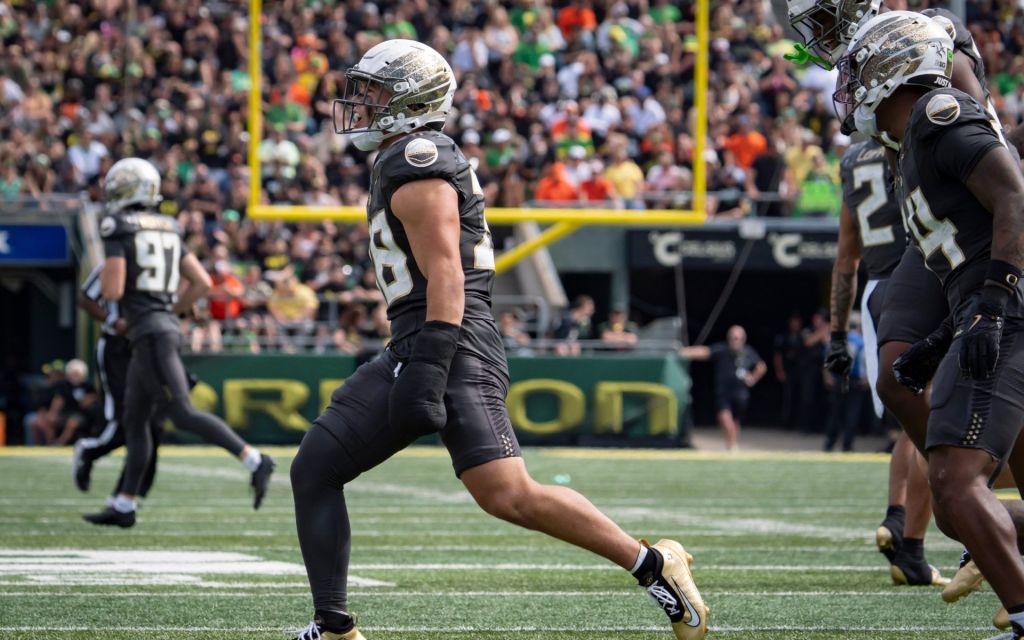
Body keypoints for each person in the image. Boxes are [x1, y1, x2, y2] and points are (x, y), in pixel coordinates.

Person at [287, 40, 708, 640]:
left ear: (410, 99)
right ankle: (333, 625)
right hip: (420, 338)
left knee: (509, 495)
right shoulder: (400, 155)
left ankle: (654, 565)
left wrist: (430, 368)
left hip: (449, 341)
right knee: (316, 466)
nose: (360, 104)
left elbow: (448, 276)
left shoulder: (416, 157)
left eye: (373, 91)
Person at [787, 0, 1024, 612]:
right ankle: (981, 514)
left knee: (952, 484)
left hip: (1000, 282)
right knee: (916, 410)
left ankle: (986, 529)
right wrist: (943, 334)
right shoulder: (907, 138)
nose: (847, 86)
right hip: (962, 279)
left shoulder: (939, 110)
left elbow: (1006, 189)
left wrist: (994, 302)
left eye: (858, 73)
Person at [83, 158, 275, 528]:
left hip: (148, 331)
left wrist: (129, 293)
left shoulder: (118, 226)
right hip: (157, 329)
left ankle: (254, 459)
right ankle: (125, 504)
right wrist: (172, 309)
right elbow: (202, 282)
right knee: (135, 418)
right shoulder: (169, 226)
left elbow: (113, 289)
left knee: (181, 411)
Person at [823, 136, 943, 585]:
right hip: (921, 280)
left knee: (913, 423)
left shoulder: (853, 158)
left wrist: (838, 332)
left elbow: (846, 256)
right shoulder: (914, 135)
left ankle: (898, 521)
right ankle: (922, 542)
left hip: (876, 291)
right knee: (939, 418)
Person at [73, 263, 164, 498]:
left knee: (153, 422)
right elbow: (85, 299)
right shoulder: (113, 265)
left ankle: (130, 496)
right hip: (117, 348)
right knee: (127, 418)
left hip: (150, 345)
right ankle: (90, 452)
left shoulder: (162, 260)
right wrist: (113, 320)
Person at [679, 325, 766, 452]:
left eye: (738, 338)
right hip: (723, 393)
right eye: (733, 338)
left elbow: (761, 366)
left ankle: (732, 444)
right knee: (725, 420)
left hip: (741, 394)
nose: (735, 341)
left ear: (743, 339)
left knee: (735, 422)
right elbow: (704, 352)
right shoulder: (722, 349)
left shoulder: (748, 352)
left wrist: (752, 378)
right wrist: (685, 352)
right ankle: (732, 446)